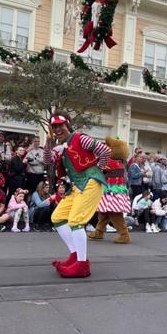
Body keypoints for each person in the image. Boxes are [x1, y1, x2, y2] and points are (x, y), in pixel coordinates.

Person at [44, 113, 111, 278]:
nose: (58, 129)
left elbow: (105, 150)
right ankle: (75, 256)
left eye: (61, 125)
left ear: (68, 124)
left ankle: (82, 265)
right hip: (75, 187)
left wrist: (98, 170)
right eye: (55, 127)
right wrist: (48, 144)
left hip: (90, 183)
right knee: (58, 217)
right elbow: (47, 161)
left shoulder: (80, 138)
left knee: (75, 221)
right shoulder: (60, 147)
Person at [88, 137, 131, 244]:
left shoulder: (111, 163)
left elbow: (97, 169)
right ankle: (99, 231)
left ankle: (124, 235)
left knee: (114, 213)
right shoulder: (119, 163)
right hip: (110, 191)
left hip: (112, 193)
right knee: (104, 212)